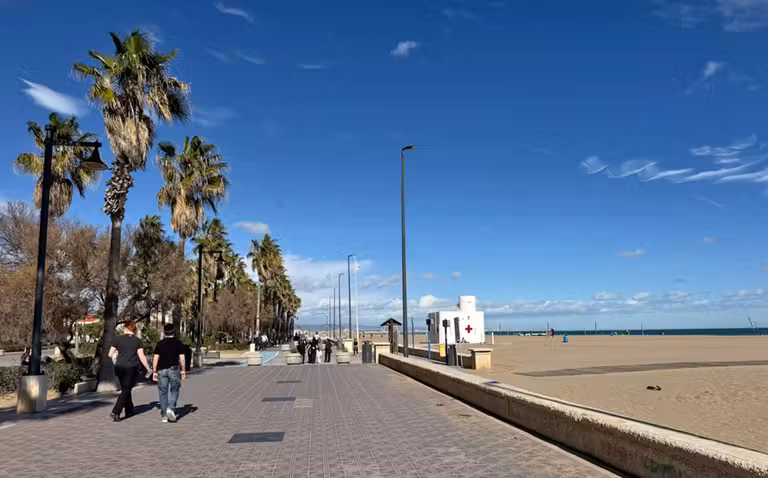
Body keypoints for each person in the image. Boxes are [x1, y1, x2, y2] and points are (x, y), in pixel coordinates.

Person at [109, 321, 151, 422]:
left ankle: (129, 409)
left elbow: (110, 354)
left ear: (126, 328)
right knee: (126, 389)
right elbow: (141, 356)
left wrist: (117, 356)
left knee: (125, 389)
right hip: (131, 367)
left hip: (119, 366)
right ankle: (116, 411)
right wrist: (148, 368)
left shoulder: (118, 339)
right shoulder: (137, 341)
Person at [153, 323, 186, 423]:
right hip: (174, 369)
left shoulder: (160, 344)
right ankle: (171, 408)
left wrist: (154, 371)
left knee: (163, 392)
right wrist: (183, 370)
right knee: (175, 389)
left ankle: (164, 415)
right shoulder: (178, 343)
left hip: (161, 370)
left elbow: (155, 358)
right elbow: (182, 358)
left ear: (164, 332)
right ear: (173, 332)